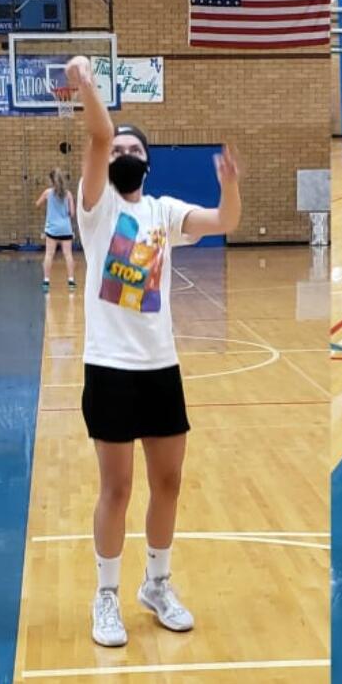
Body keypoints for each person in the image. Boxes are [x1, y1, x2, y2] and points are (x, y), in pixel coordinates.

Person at [65, 55, 242, 647]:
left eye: (132, 151)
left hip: (160, 368)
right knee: (116, 488)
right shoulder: (96, 211)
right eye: (117, 151)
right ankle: (107, 597)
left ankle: (156, 584)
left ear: (148, 161)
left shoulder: (164, 212)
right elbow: (96, 134)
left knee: (168, 482)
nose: (123, 156)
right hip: (109, 369)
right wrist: (86, 84)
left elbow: (224, 220)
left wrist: (231, 186)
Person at [35, 168, 77, 292]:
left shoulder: (47, 193)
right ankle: (71, 281)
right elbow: (72, 213)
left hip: (52, 229)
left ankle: (46, 281)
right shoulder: (68, 194)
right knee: (68, 255)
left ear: (51, 180)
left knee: (49, 254)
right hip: (66, 229)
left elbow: (37, 204)